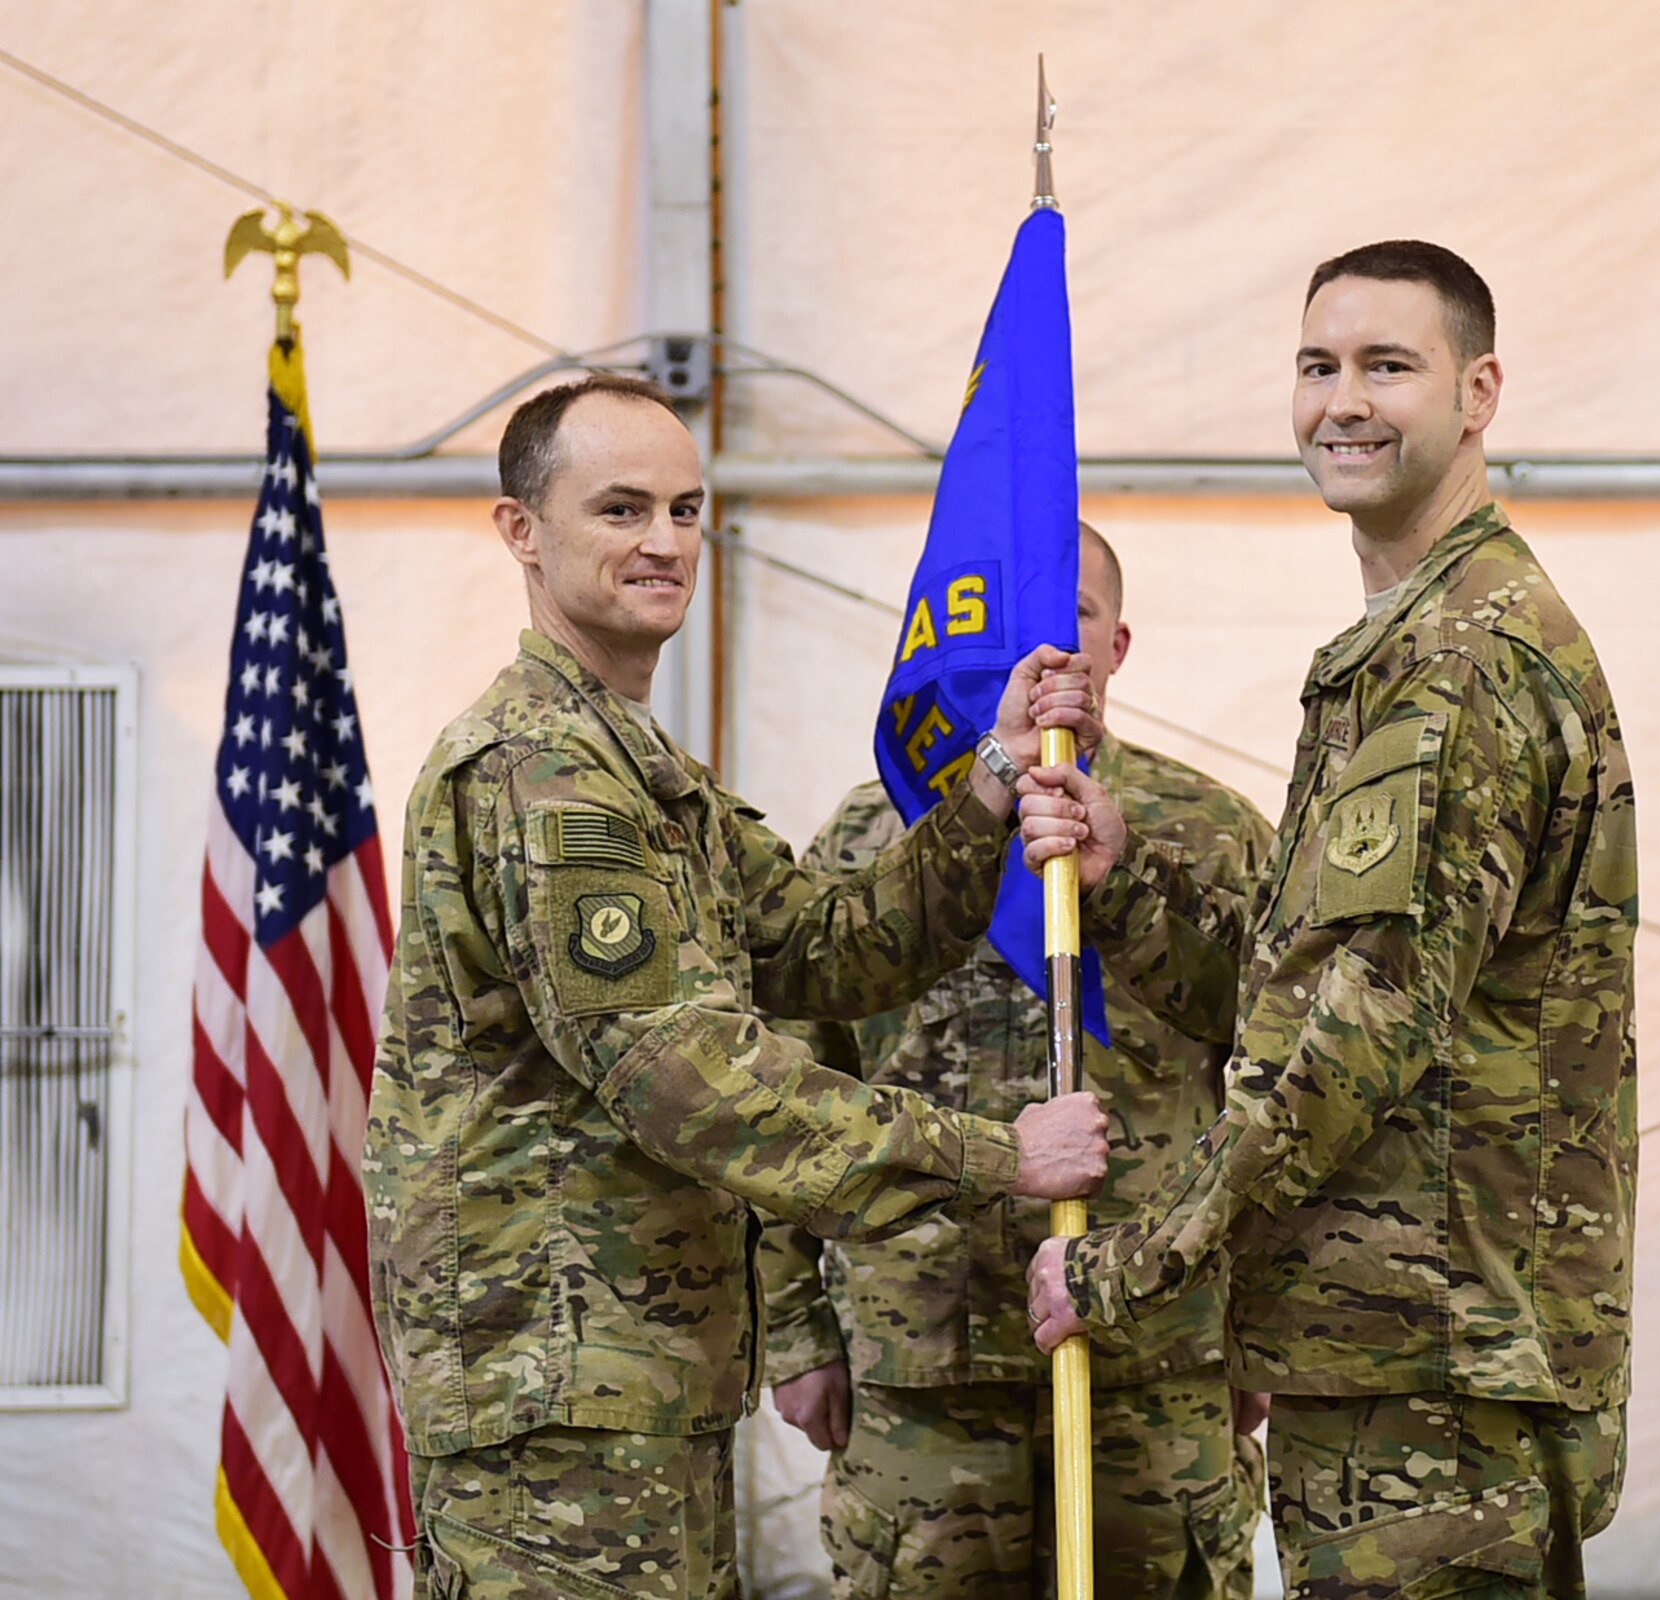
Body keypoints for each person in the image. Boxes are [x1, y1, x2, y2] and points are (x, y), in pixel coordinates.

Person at [365, 373, 1111, 1600]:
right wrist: (991, 1155)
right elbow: (685, 1073)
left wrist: (985, 783)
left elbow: (829, 946)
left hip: (636, 1373)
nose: (662, 542)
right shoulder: (541, 773)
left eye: (685, 508)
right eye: (619, 509)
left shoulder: (643, 770)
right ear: (521, 530)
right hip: (554, 1394)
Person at [1019, 241, 1639, 1600]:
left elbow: (1362, 1036)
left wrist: (1139, 1263)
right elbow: (1315, 982)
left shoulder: (1460, 660)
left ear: (1478, 393)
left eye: (1387, 367)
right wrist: (1134, 878)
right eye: (1318, 367)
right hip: (1392, 1354)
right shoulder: (1409, 640)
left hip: (1429, 1363)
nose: (1341, 402)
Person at [758, 523, 1276, 1599]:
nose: (1043, 648)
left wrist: (1262, 1328)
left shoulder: (1212, 833)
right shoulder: (871, 841)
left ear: (1117, 643)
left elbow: (1286, 1079)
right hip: (920, 1364)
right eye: (1010, 618)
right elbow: (783, 1086)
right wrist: (791, 1329)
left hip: (1157, 1357)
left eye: (1073, 614)